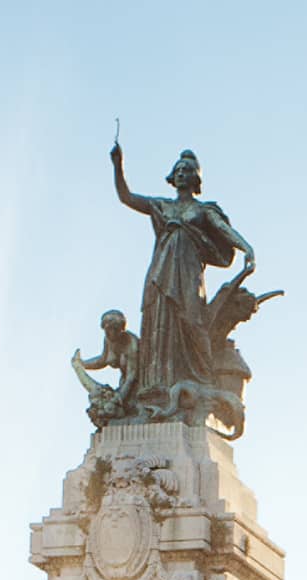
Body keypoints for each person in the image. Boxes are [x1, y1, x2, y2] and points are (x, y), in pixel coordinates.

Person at [110, 143, 255, 402]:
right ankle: (155, 388)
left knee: (191, 322)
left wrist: (246, 247)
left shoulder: (203, 210)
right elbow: (126, 197)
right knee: (159, 322)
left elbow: (222, 230)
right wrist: (118, 166)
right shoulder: (161, 205)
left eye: (186, 170)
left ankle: (197, 381)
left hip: (188, 276)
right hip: (160, 273)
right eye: (177, 170)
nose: (180, 174)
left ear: (195, 177)